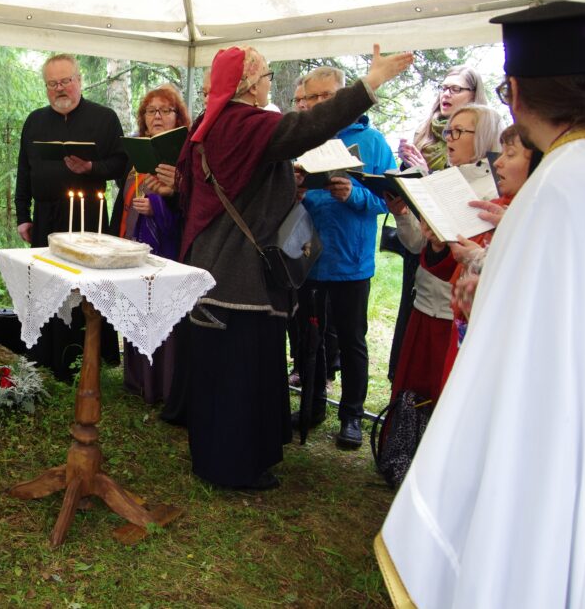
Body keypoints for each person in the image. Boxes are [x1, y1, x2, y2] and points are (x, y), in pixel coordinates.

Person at [377, 0, 585, 608]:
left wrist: (481, 273)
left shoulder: (558, 183)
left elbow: (525, 324)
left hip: (550, 422)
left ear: (514, 95)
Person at [176, 44, 412, 490]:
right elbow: (309, 126)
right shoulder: (247, 122)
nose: (269, 82)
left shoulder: (212, 126)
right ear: (248, 84)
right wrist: (370, 82)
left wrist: (285, 180)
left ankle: (220, 457)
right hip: (239, 275)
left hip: (213, 267)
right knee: (241, 374)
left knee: (222, 372)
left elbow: (243, 184)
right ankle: (235, 466)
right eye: (265, 75)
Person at [294, 67, 395, 448]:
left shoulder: (371, 141)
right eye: (313, 97)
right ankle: (313, 405)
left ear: (344, 95)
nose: (320, 104)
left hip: (351, 260)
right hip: (307, 256)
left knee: (352, 340)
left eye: (327, 97)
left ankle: (351, 415)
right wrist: (297, 191)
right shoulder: (305, 136)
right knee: (308, 337)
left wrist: (352, 194)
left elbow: (387, 199)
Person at [14, 53, 127, 380]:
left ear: (79, 81)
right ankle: (45, 354)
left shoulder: (104, 118)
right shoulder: (35, 120)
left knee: (85, 287)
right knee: (47, 284)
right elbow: (24, 170)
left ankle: (87, 352)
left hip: (88, 216)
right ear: (46, 87)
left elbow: (121, 163)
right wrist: (23, 214)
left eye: (65, 81)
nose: (60, 89)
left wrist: (92, 167)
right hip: (45, 217)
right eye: (53, 84)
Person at [388, 104, 504, 404]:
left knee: (445, 398)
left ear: (485, 136)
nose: (449, 138)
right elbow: (416, 244)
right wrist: (401, 213)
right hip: (425, 301)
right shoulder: (440, 179)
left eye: (458, 132)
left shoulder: (495, 191)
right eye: (448, 131)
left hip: (458, 312)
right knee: (412, 398)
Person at [118, 86, 189, 403]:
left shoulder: (184, 153)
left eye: (165, 110)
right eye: (151, 111)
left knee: (164, 313)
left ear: (177, 116)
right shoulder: (137, 152)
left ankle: (162, 382)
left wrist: (157, 206)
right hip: (138, 241)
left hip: (168, 247)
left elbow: (190, 206)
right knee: (138, 308)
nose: (157, 116)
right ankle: (137, 378)